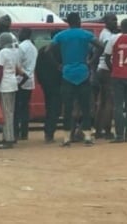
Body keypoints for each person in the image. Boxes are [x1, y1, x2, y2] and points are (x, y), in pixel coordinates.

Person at [50, 12, 103, 146]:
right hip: (83, 73)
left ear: (68, 22)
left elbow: (47, 50)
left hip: (67, 73)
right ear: (79, 21)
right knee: (85, 106)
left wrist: (57, 65)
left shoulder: (61, 36)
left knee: (67, 108)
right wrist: (91, 61)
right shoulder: (86, 34)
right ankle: (87, 137)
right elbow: (101, 46)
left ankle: (67, 137)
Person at [0, 32, 23, 149]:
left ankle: (8, 139)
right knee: (10, 112)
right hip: (13, 83)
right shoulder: (15, 51)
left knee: (6, 114)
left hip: (5, 85)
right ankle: (8, 137)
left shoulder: (2, 52)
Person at [94, 13, 119, 139]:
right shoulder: (106, 35)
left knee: (102, 102)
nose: (115, 22)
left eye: (116, 20)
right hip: (106, 69)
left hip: (102, 69)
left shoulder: (108, 33)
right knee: (109, 102)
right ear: (106, 22)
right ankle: (107, 130)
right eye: (112, 20)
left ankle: (99, 129)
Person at [35, 30, 62, 143]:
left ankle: (48, 133)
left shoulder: (42, 50)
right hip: (58, 83)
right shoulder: (61, 50)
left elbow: (38, 68)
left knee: (49, 107)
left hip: (46, 85)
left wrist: (41, 82)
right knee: (56, 109)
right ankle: (50, 133)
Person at [14, 28, 38, 141]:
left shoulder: (21, 47)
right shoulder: (34, 48)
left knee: (16, 109)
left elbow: (17, 65)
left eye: (20, 32)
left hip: (20, 81)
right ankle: (24, 132)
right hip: (29, 82)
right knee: (25, 108)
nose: (18, 35)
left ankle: (16, 132)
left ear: (24, 34)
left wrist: (19, 83)